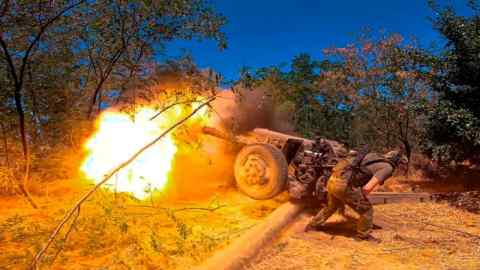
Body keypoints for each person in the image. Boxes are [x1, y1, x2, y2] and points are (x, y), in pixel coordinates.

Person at [305, 149, 408, 242]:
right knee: (367, 210)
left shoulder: (373, 155)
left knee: (332, 206)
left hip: (333, 179)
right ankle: (363, 236)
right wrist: (359, 199)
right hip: (343, 185)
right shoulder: (387, 167)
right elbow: (367, 188)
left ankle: (312, 225)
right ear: (396, 162)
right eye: (400, 165)